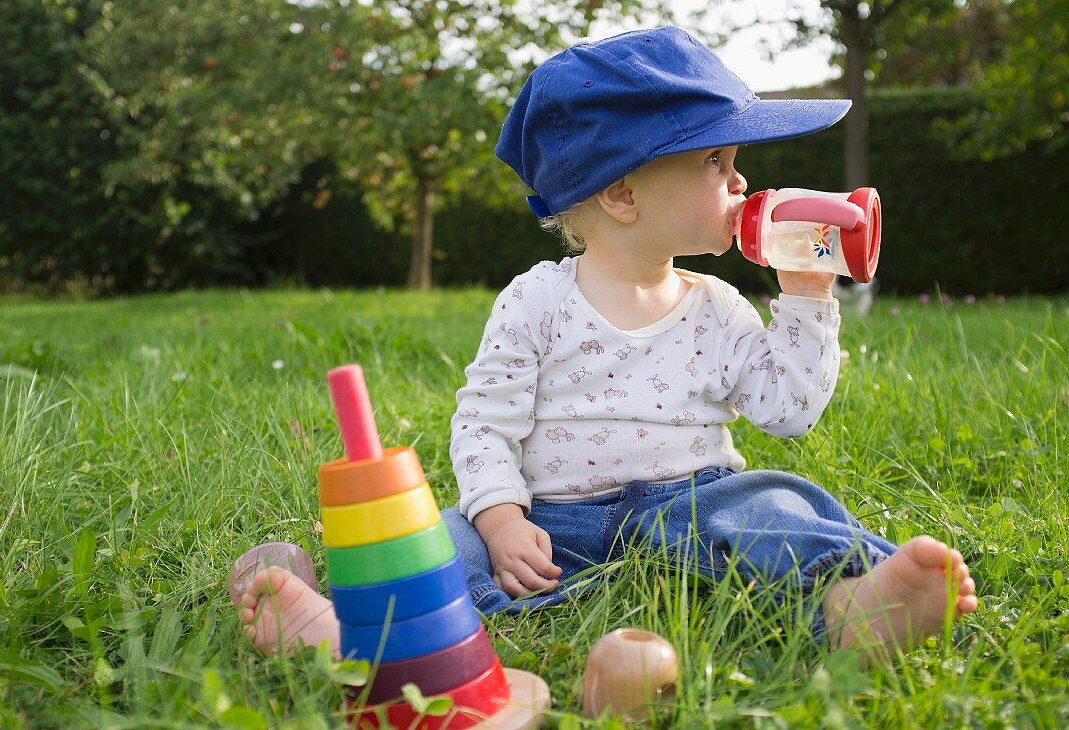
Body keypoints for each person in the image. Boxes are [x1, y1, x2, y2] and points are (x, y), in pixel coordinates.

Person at [236, 26, 976, 665]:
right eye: (714, 162)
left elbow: (789, 412)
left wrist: (809, 299)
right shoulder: (536, 300)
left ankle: (851, 607)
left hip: (690, 502)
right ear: (623, 196)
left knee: (771, 506)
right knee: (438, 539)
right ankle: (352, 634)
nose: (742, 179)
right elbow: (484, 422)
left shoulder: (717, 306)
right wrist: (499, 517)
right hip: (548, 521)